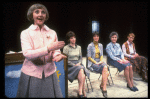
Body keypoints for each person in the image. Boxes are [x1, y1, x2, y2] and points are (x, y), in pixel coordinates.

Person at [16, 3, 66, 98]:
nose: (40, 14)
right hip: (31, 74)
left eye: (43, 12)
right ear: (31, 15)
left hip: (49, 74)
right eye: (37, 12)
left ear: (46, 16)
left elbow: (56, 51)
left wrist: (57, 56)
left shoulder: (52, 32)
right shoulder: (25, 33)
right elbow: (27, 53)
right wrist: (48, 48)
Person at [63, 31, 90, 98]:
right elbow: (65, 60)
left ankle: (80, 92)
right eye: (71, 38)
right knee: (81, 70)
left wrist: (79, 63)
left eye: (74, 37)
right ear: (68, 39)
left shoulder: (79, 47)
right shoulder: (66, 48)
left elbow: (80, 57)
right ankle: (82, 91)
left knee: (81, 70)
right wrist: (73, 65)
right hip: (70, 66)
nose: (74, 39)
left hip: (78, 64)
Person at [87, 32, 109, 98]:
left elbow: (101, 55)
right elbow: (89, 57)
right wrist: (96, 62)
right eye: (95, 36)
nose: (96, 37)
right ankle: (104, 89)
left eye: (97, 36)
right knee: (106, 69)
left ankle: (102, 85)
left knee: (106, 68)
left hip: (99, 61)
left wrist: (101, 61)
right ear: (92, 37)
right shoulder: (90, 45)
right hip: (93, 63)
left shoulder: (100, 45)